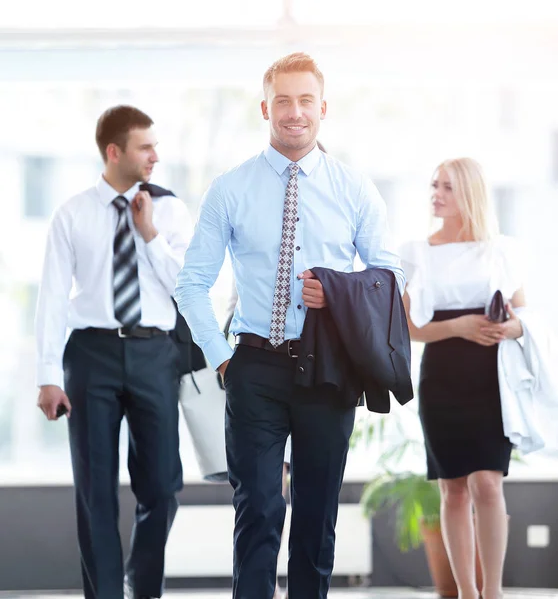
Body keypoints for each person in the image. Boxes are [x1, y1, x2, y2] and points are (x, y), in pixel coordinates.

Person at [175, 52, 404, 599]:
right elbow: (191, 284)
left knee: (317, 515)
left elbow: (390, 278)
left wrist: (339, 290)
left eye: (306, 101)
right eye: (283, 101)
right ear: (265, 108)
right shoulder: (230, 189)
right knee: (257, 510)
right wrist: (223, 359)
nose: (294, 112)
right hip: (252, 365)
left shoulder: (355, 189)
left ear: (323, 109)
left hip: (328, 368)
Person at [35, 105, 192, 599]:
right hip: (90, 356)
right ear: (114, 151)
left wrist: (149, 236)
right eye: (146, 147)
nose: (155, 157)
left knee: (163, 487)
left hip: (154, 353)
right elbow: (53, 297)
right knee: (95, 491)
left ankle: (142, 589)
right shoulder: (73, 213)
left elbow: (186, 289)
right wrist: (47, 375)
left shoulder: (170, 211)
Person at [400, 157, 525, 599]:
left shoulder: (501, 249)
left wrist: (508, 327)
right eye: (434, 184)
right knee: (453, 489)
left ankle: (493, 593)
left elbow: (523, 316)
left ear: (469, 192)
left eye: (447, 187)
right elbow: (407, 328)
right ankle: (466, 594)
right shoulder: (417, 251)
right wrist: (458, 327)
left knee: (488, 484)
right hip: (442, 377)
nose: (436, 193)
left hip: (492, 378)